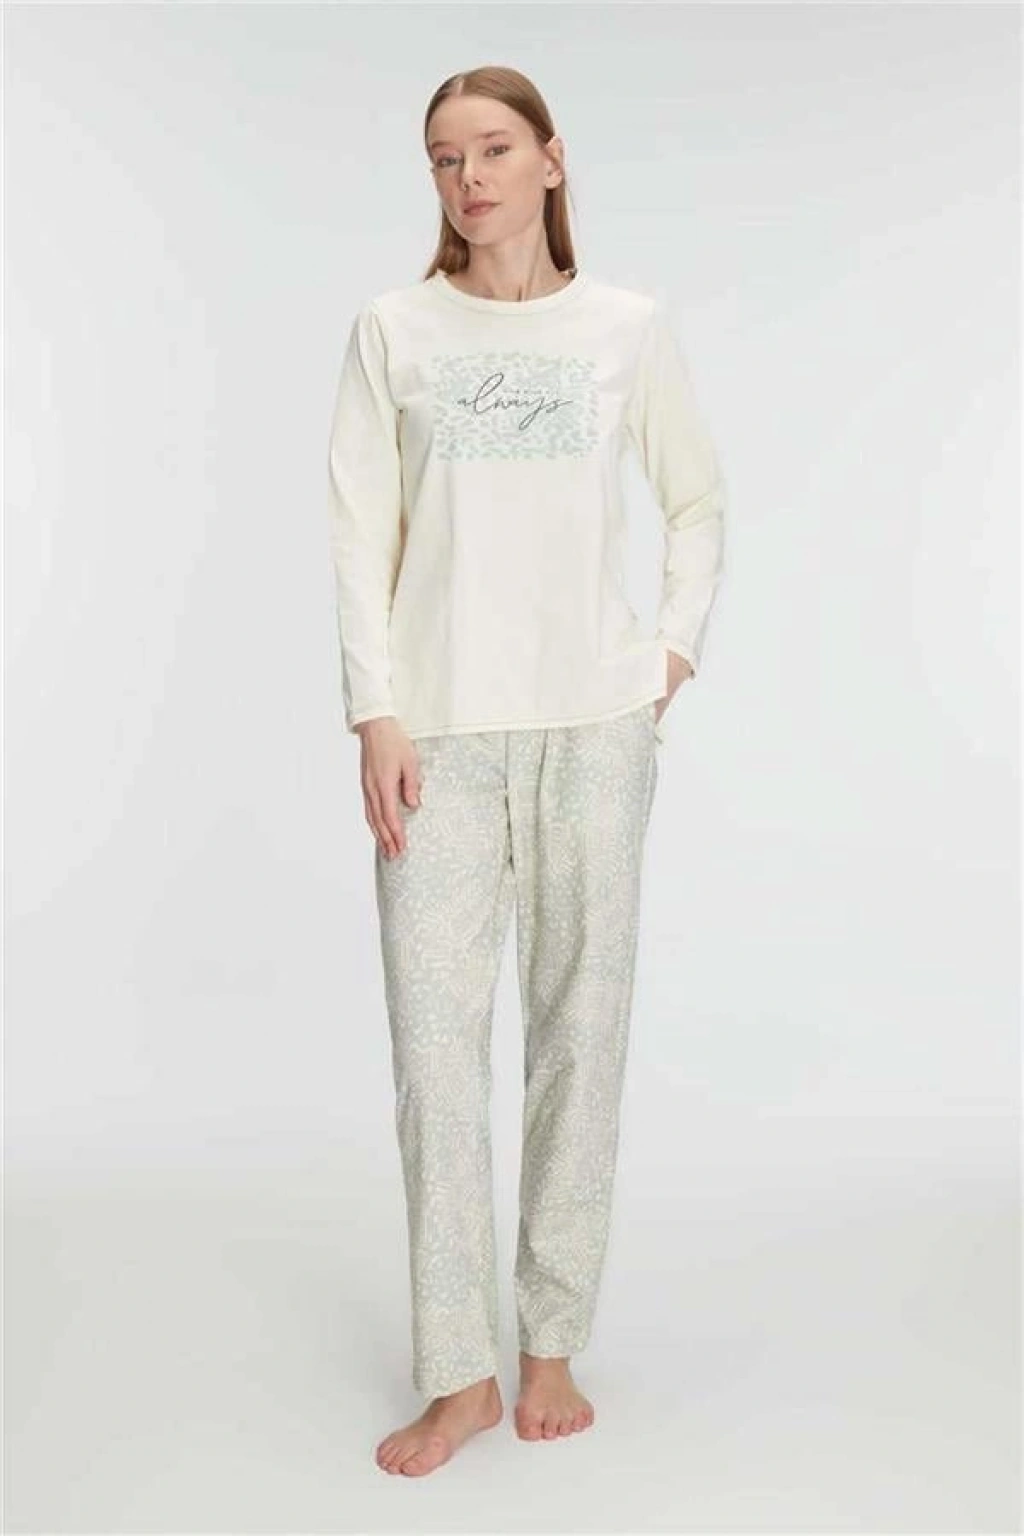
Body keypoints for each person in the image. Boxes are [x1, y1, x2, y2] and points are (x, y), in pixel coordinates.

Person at [326, 64, 726, 1478]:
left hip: (592, 730)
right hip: (437, 735)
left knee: (578, 1040)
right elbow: (359, 531)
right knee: (435, 1062)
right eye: (444, 158)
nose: (469, 179)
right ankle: (460, 1374)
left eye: (493, 149)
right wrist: (375, 714)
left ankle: (552, 1342)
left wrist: (665, 655)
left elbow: (697, 499)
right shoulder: (395, 330)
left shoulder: (626, 328)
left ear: (551, 160)